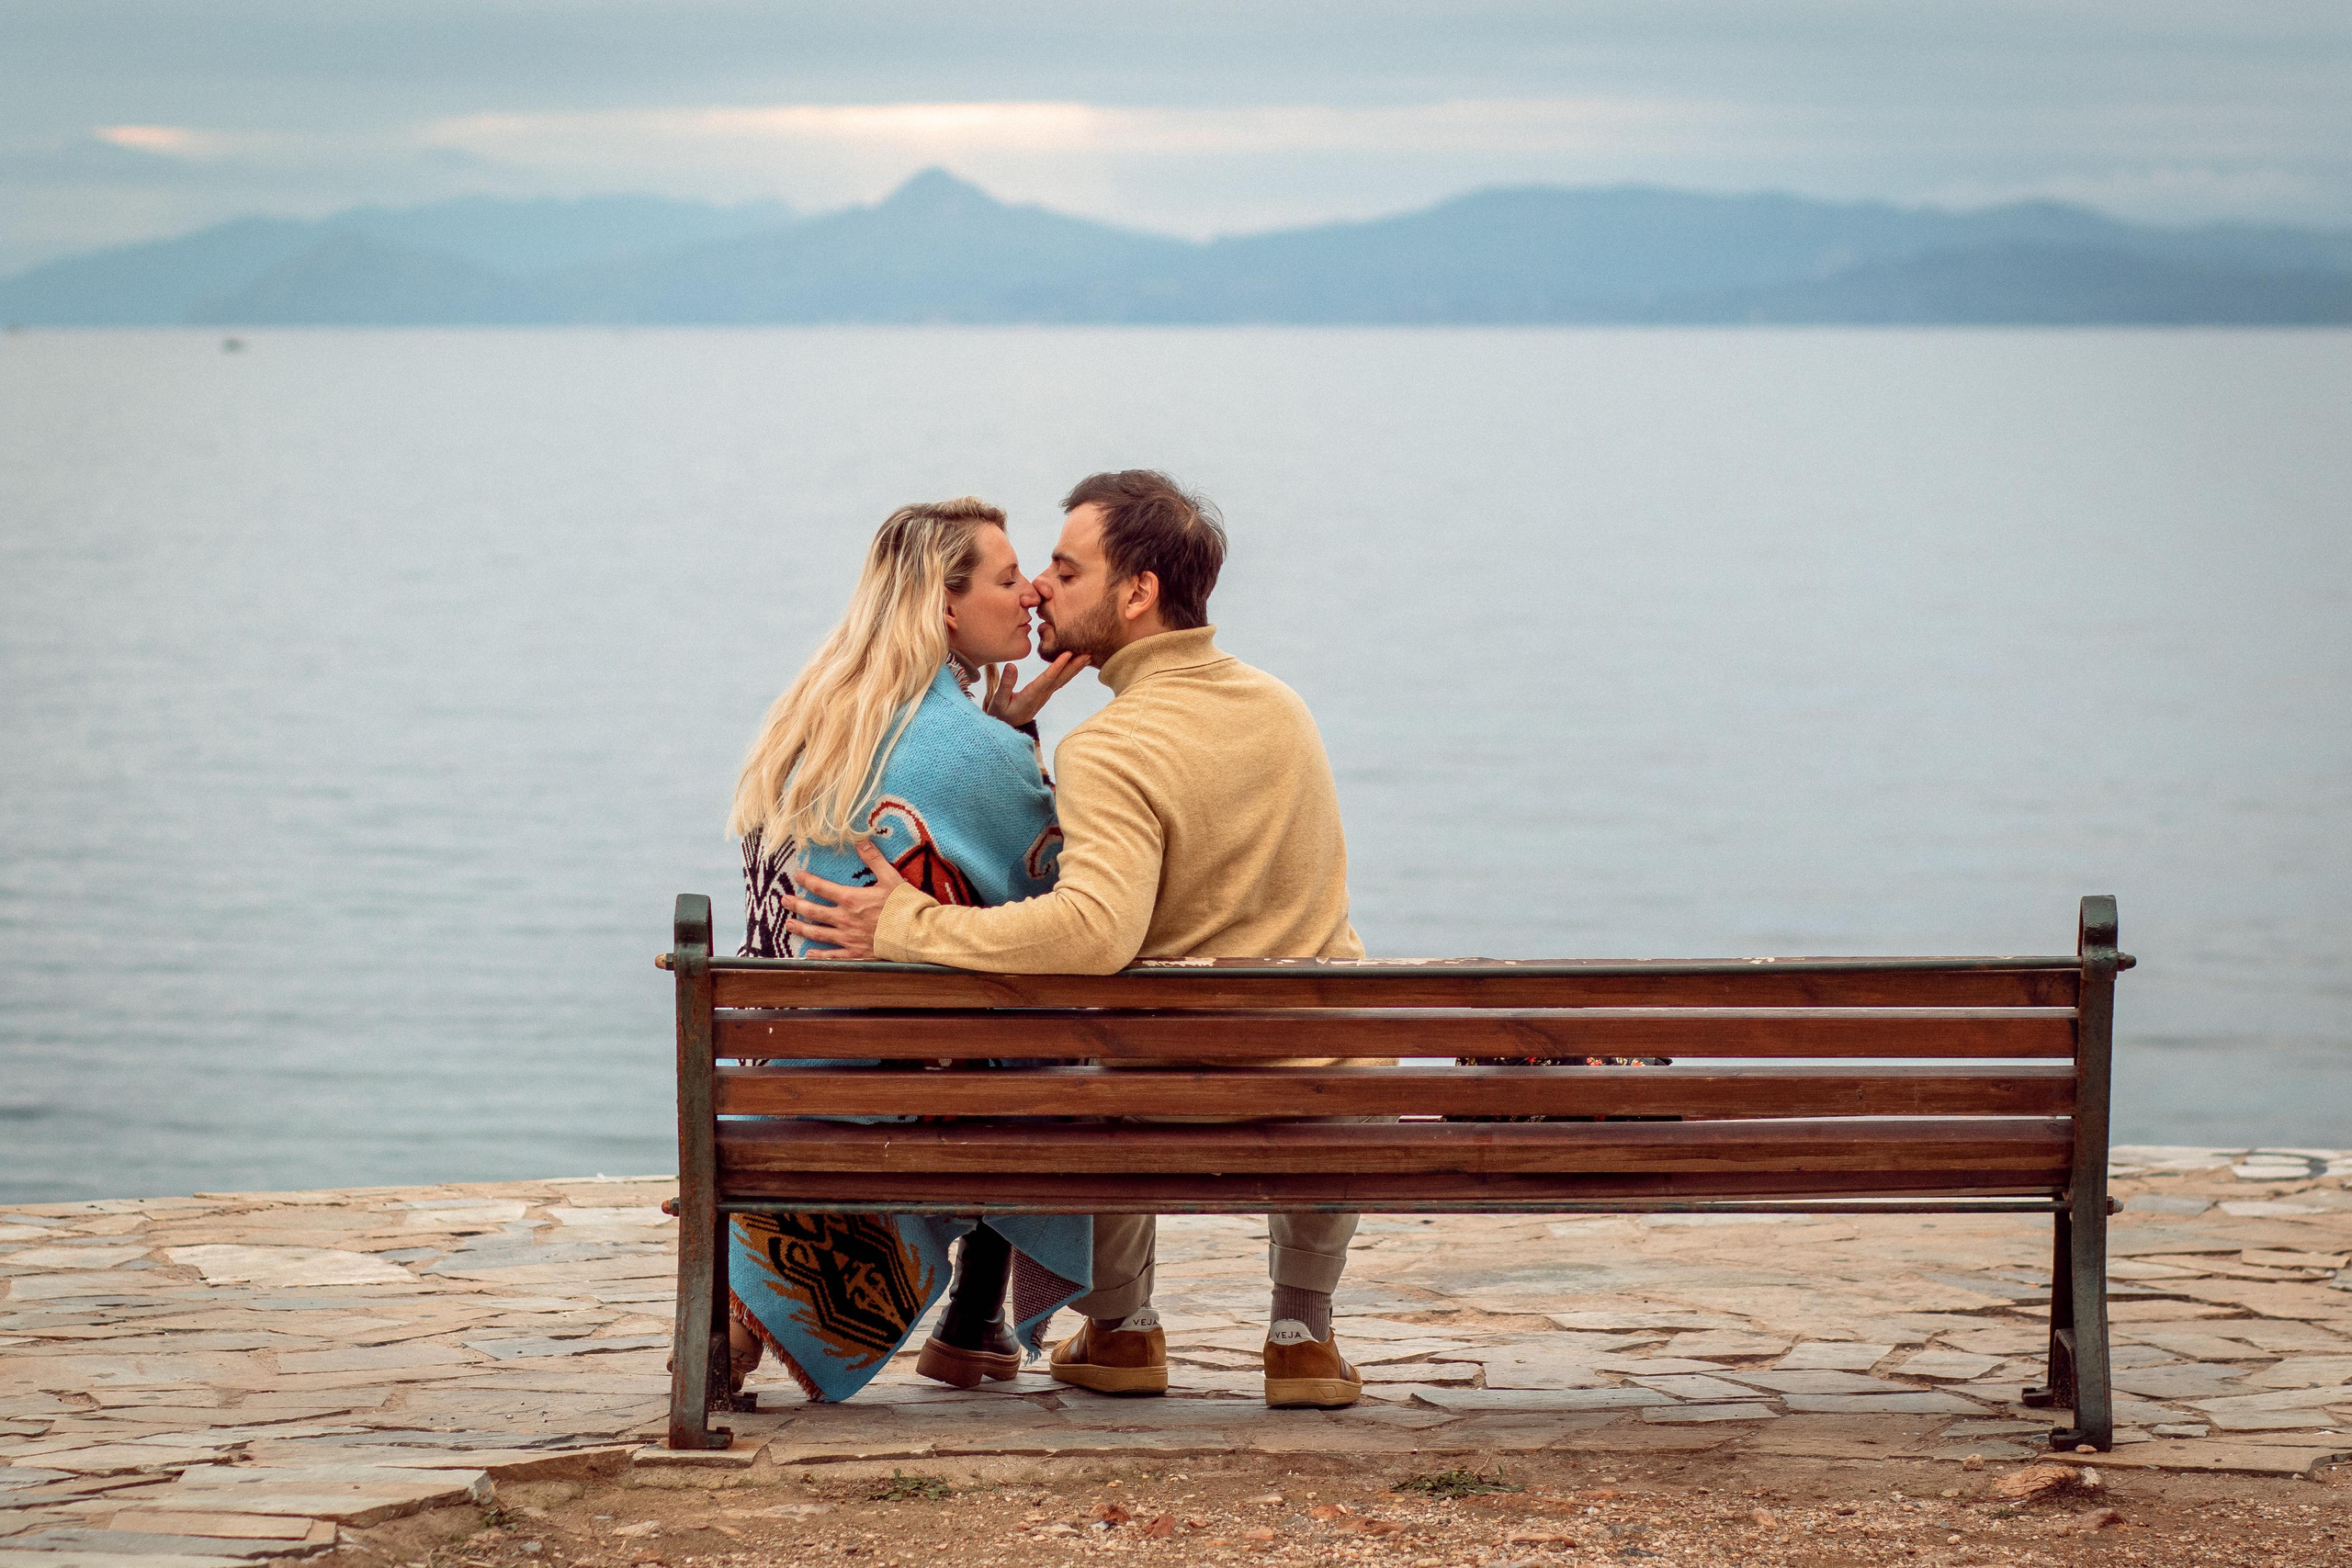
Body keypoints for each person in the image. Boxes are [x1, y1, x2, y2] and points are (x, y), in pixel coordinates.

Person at [778, 470, 1373, 1410]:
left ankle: (1121, 1328)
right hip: (1320, 1069)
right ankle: (1301, 1337)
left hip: (1165, 1090)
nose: (1041, 590)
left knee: (1087, 1061)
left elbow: (1092, 930)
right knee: (1291, 1036)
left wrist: (907, 922)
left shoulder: (1110, 746)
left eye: (1064, 568)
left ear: (1135, 592)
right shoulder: (1280, 708)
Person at [721, 496, 1092, 1404]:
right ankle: (977, 1313)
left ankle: (966, 1319)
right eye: (1008, 580)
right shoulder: (972, 754)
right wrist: (1014, 752)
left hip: (786, 1086)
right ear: (943, 606)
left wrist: (1000, 734)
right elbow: (1060, 910)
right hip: (896, 1105)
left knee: (972, 1002)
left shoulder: (808, 730)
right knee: (1055, 1030)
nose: (1032, 596)